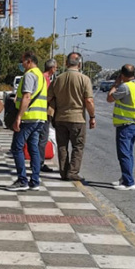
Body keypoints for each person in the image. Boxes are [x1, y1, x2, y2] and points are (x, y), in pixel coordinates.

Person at [48, 52, 96, 181]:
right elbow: (89, 101)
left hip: (60, 118)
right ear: (79, 64)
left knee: (62, 146)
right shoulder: (84, 79)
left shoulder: (58, 79)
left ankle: (63, 172)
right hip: (77, 118)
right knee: (78, 146)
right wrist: (92, 116)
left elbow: (49, 97)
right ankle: (73, 172)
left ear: (66, 63)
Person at [9, 52, 48, 191]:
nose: (21, 64)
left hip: (29, 117)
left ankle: (22, 180)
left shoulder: (30, 75)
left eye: (22, 62)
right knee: (34, 149)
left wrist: (18, 117)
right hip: (40, 118)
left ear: (29, 61)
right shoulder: (41, 76)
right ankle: (35, 181)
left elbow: (26, 96)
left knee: (16, 147)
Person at [106, 64, 135, 190]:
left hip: (125, 123)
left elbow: (109, 98)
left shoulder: (125, 87)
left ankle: (129, 182)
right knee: (129, 153)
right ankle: (125, 177)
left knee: (123, 154)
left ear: (122, 75)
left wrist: (115, 84)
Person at [39, 58, 58, 172]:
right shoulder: (45, 79)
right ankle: (39, 163)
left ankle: (37, 162)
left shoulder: (43, 77)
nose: (56, 70)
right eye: (55, 68)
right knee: (42, 138)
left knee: (39, 138)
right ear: (51, 68)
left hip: (40, 112)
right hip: (43, 113)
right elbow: (47, 97)